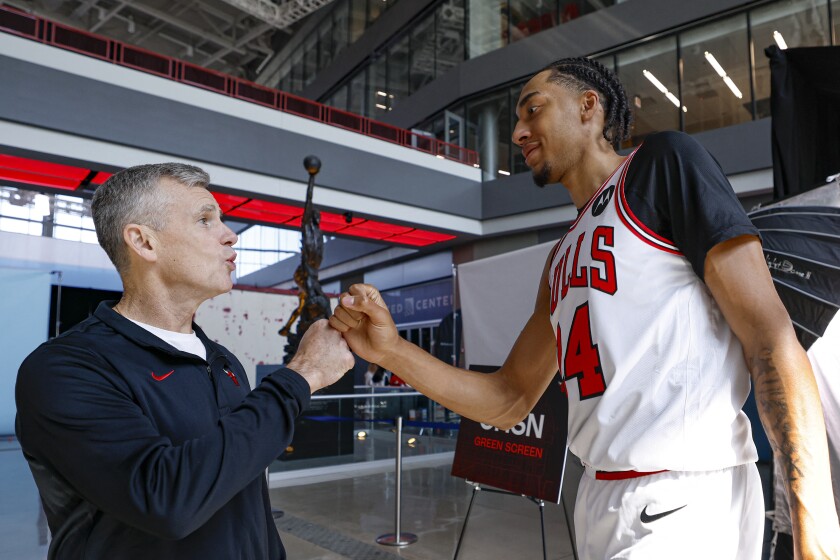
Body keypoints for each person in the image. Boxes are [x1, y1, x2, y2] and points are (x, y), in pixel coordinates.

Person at [330, 57, 840, 559]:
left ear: (588, 107)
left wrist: (812, 526)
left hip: (685, 494)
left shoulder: (663, 163)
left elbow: (770, 337)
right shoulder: (561, 255)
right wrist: (391, 351)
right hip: (597, 497)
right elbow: (508, 398)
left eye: (533, 110)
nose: (518, 133)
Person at [15, 163, 354, 559]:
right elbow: (165, 502)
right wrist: (303, 375)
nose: (230, 236)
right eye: (205, 220)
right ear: (143, 242)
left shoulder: (223, 361)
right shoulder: (68, 369)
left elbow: (247, 501)